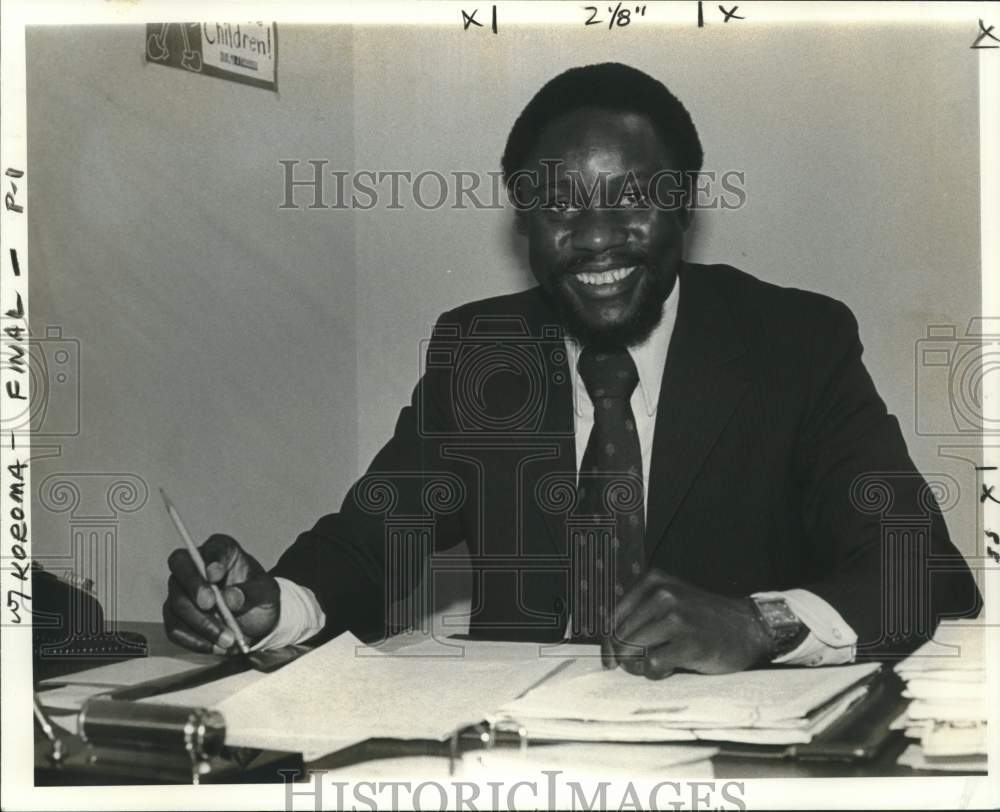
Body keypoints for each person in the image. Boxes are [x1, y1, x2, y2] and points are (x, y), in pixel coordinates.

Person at [164, 62, 981, 679]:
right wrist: (275, 606)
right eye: (559, 206)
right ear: (524, 223)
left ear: (686, 207)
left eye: (634, 201)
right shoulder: (480, 351)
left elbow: (922, 569)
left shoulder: (793, 342)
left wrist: (757, 623)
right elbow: (374, 546)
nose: (595, 238)